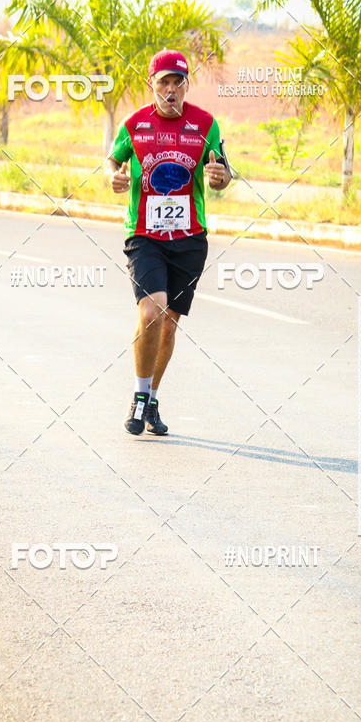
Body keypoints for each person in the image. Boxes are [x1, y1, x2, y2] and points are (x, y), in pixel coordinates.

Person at [105, 48, 232, 436]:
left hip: (190, 238)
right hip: (145, 235)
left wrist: (220, 178)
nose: (171, 90)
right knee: (151, 313)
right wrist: (114, 176)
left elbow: (223, 171)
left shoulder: (205, 124)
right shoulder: (134, 124)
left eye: (178, 83)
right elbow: (113, 160)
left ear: (187, 85)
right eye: (164, 83)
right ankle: (139, 395)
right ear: (152, 85)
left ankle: (152, 398)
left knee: (168, 325)